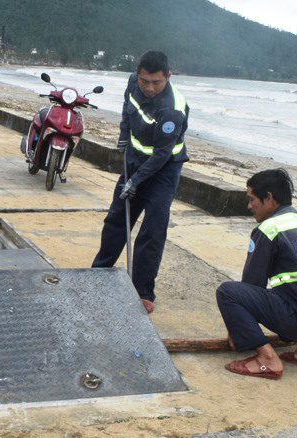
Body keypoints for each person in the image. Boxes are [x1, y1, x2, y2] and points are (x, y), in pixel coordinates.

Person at [217, 169, 297, 379]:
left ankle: (267, 359)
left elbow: (252, 284)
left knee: (228, 292)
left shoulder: (269, 229)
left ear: (268, 197)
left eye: (251, 199)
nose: (249, 206)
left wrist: (237, 327)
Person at [92, 51, 189, 314]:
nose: (148, 87)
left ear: (168, 77)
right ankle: (99, 270)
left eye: (156, 83)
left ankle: (143, 290)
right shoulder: (133, 83)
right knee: (117, 218)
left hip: (163, 171)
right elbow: (127, 108)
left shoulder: (172, 110)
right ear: (138, 74)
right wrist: (124, 135)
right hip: (134, 160)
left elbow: (161, 155)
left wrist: (135, 181)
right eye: (145, 80)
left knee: (152, 230)